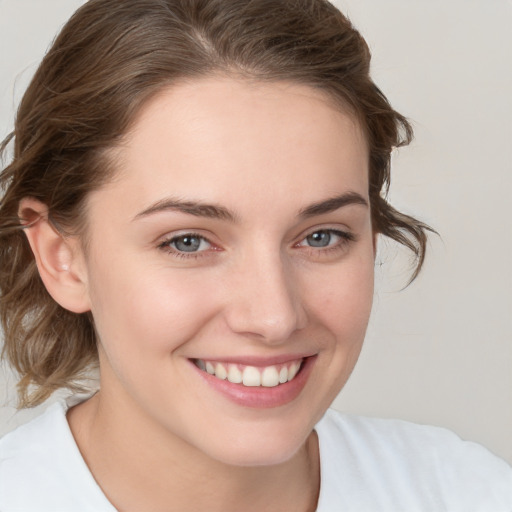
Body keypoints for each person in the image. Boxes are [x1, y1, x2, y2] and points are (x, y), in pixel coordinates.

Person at [0, 0, 510, 510]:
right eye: (188, 242)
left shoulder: (467, 494)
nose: (274, 317)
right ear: (62, 257)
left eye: (321, 236)